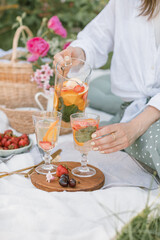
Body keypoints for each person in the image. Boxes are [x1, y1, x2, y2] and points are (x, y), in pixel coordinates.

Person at [54, 0, 160, 178]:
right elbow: (95, 38)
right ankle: (120, 122)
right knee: (96, 99)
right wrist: (78, 54)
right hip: (135, 104)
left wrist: (134, 127)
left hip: (147, 114)